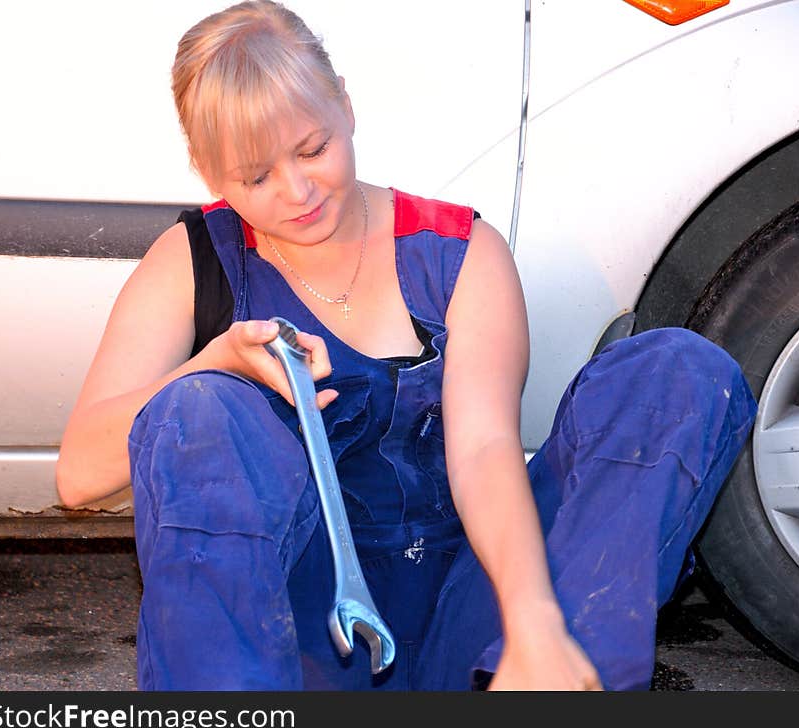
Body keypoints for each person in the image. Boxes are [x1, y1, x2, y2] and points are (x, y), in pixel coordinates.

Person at [56, 0, 756, 691]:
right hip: (295, 643)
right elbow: (79, 475)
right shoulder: (190, 262)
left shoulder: (459, 253)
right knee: (196, 409)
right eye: (257, 177)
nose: (298, 191)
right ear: (210, 174)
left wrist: (532, 620)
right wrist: (212, 364)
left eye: (313, 149)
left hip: (473, 618)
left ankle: (554, 679)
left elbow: (484, 448)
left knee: (677, 373)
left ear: (346, 107)